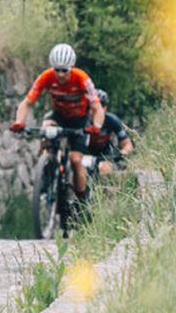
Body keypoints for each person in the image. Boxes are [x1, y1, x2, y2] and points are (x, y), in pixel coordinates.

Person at [9, 43, 105, 202]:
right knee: (46, 130)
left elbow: (97, 107)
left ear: (71, 67)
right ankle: (46, 171)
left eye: (64, 70)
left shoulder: (82, 78)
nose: (60, 74)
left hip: (79, 120)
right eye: (57, 70)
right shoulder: (46, 76)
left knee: (75, 159)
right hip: (59, 115)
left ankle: (82, 199)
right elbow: (27, 102)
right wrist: (19, 121)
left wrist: (96, 126)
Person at [80, 89, 133, 176]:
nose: (92, 111)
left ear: (104, 109)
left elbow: (127, 144)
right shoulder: (82, 120)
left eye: (97, 108)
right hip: (84, 153)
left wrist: (123, 152)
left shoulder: (112, 120)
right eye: (89, 107)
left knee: (105, 169)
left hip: (104, 154)